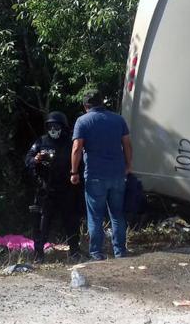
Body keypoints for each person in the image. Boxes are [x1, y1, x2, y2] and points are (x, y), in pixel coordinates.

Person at [70, 89, 132, 260]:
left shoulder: (82, 121)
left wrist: (74, 171)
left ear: (85, 106)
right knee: (117, 215)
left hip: (95, 175)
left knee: (95, 216)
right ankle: (120, 251)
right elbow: (127, 144)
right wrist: (128, 165)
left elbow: (77, 148)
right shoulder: (118, 119)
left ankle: (97, 253)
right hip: (118, 174)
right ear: (102, 102)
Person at [25, 111, 82, 263]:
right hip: (45, 189)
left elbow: (80, 162)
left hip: (66, 189)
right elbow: (28, 159)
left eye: (56, 126)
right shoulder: (41, 141)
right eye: (50, 126)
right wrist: (36, 159)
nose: (53, 129)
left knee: (71, 221)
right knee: (42, 223)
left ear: (63, 127)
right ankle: (38, 254)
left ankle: (74, 251)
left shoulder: (71, 143)